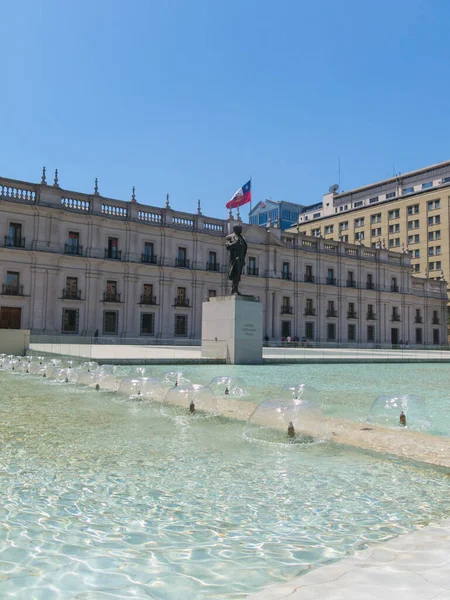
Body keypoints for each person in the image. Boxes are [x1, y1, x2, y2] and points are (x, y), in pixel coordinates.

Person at [225, 225, 248, 295]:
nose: (241, 230)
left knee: (238, 275)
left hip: (241, 258)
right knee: (235, 274)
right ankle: (234, 289)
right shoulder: (230, 236)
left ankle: (235, 289)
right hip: (234, 258)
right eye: (240, 229)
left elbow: (244, 249)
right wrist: (234, 244)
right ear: (236, 229)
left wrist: (243, 259)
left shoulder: (242, 238)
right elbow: (227, 246)